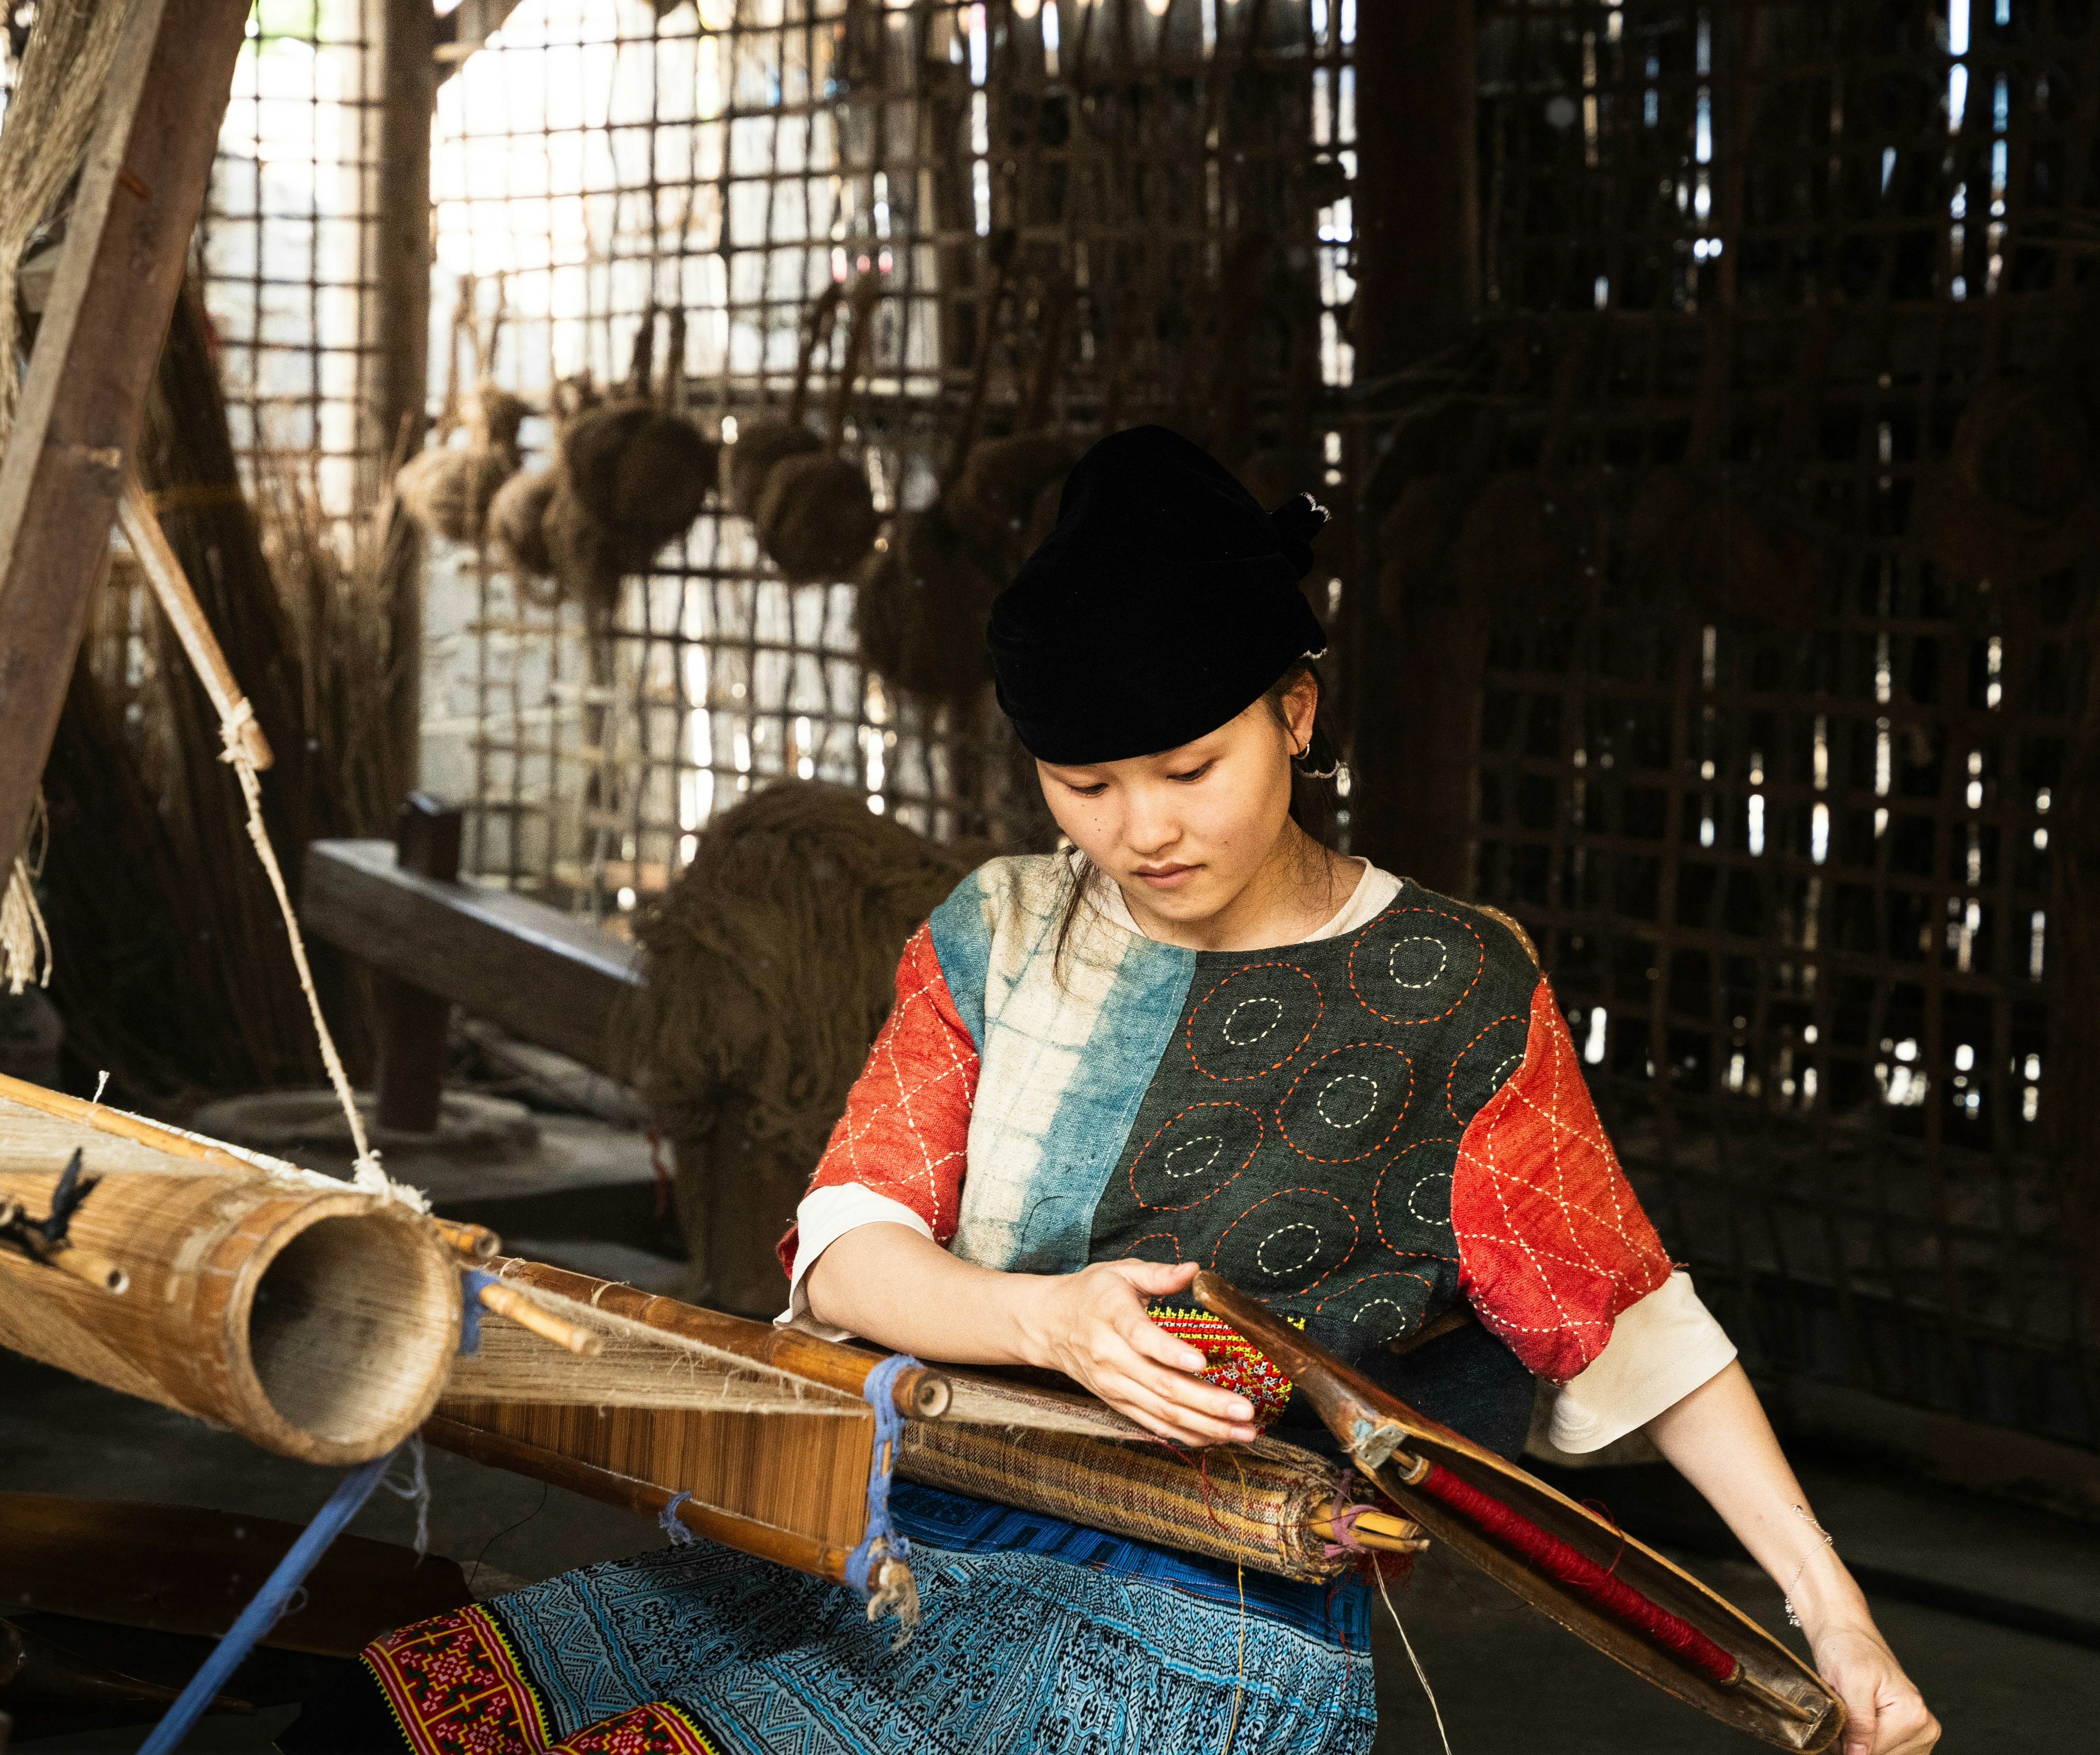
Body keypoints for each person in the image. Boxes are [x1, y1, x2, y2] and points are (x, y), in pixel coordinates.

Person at [316, 427, 1939, 1755]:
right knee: (386, 1725)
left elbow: (1628, 1323)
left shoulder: (1452, 991)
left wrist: (1835, 1617)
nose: (1142, 831)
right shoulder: (1000, 934)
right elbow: (847, 1246)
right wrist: (1050, 1321)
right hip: (877, 1529)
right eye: (1084, 785)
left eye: (1189, 770)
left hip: (1194, 1626)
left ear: (1294, 716)